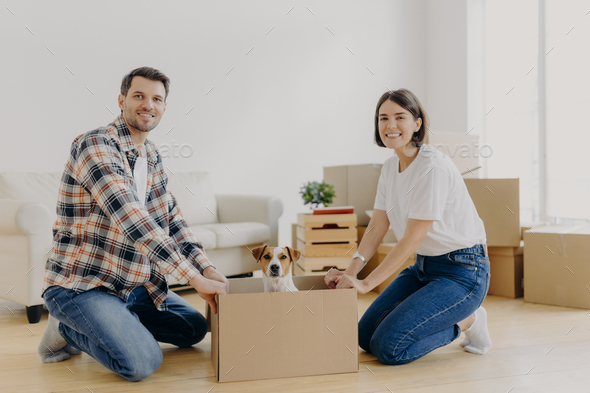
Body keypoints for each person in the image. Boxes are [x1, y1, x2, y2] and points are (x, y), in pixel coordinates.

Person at [38, 67, 228, 381]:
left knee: (194, 329)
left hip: (133, 285)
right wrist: (194, 279)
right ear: (121, 100)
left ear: (164, 107)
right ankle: (66, 325)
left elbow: (172, 219)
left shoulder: (151, 155)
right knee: (141, 362)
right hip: (84, 286)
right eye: (138, 95)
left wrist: (206, 268)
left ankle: (113, 321)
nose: (147, 105)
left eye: (156, 99)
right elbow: (133, 220)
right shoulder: (95, 145)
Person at [325, 88, 492, 365]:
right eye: (383, 118)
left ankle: (469, 320)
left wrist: (366, 283)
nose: (390, 125)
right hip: (424, 268)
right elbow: (377, 227)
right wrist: (349, 274)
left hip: (463, 272)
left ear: (417, 124)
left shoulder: (432, 167)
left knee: (389, 348)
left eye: (400, 117)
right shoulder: (391, 167)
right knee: (365, 337)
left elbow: (411, 241)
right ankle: (459, 316)